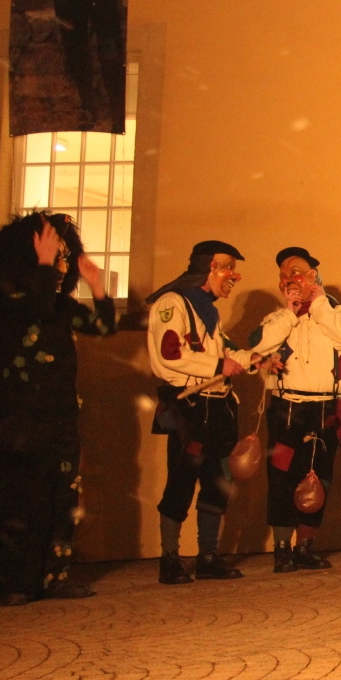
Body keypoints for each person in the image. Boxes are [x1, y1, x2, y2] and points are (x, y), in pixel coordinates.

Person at [0, 212, 116, 605]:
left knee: (61, 499)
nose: (61, 266)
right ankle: (10, 582)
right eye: (57, 256)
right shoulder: (3, 303)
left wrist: (96, 285)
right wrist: (43, 263)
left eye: (63, 258)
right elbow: (32, 310)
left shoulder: (58, 304)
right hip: (18, 420)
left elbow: (103, 327)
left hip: (60, 418)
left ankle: (54, 576)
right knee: (18, 502)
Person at [147, 240, 263, 584]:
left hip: (219, 407)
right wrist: (218, 365)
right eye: (229, 268)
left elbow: (225, 351)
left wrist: (255, 359)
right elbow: (170, 355)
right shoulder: (173, 304)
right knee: (181, 481)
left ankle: (208, 556)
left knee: (217, 482)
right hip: (191, 409)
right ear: (211, 268)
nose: (235, 277)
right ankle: (170, 559)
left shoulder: (209, 312)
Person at [248, 248, 341, 572]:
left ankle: (306, 546)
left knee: (318, 477)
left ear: (313, 276)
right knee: (282, 477)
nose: (289, 279)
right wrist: (289, 313)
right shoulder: (278, 318)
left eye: (296, 272)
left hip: (324, 409)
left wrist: (319, 301)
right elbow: (258, 345)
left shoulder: (340, 314)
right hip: (287, 409)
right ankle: (282, 549)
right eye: (284, 275)